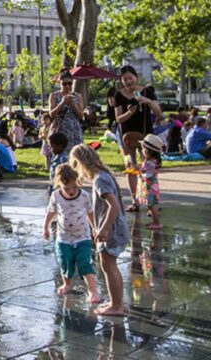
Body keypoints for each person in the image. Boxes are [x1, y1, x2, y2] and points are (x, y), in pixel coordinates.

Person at [69, 144, 129, 316]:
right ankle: (117, 302)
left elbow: (114, 206)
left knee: (108, 266)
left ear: (81, 163)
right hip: (116, 228)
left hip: (112, 230)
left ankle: (116, 307)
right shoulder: (104, 175)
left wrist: (103, 228)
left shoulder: (99, 180)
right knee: (111, 266)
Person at [42, 164, 101, 304]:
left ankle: (93, 292)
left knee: (84, 263)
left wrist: (95, 228)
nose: (71, 191)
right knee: (65, 262)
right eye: (66, 188)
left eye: (75, 187)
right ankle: (67, 284)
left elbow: (90, 213)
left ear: (78, 182)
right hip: (63, 238)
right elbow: (51, 212)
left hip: (83, 237)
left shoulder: (84, 196)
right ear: (59, 183)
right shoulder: (56, 195)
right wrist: (45, 227)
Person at [114, 65, 162, 212]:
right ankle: (135, 201)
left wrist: (147, 101)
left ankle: (150, 202)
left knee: (147, 169)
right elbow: (118, 119)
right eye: (125, 79)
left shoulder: (147, 91)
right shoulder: (119, 95)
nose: (128, 81)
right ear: (121, 81)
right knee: (130, 167)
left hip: (145, 136)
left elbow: (159, 112)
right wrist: (130, 113)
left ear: (136, 77)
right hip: (127, 136)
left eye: (130, 78)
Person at [128, 134, 163, 230]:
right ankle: (154, 218)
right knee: (150, 205)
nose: (141, 150)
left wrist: (136, 169)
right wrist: (135, 167)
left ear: (149, 151)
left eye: (143, 148)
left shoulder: (150, 163)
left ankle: (157, 223)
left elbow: (144, 171)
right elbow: (141, 166)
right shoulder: (151, 160)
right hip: (149, 186)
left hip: (149, 187)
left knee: (151, 206)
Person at [48, 68, 84, 154]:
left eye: (70, 83)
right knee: (60, 156)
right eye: (64, 84)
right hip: (60, 130)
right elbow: (51, 115)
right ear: (59, 83)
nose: (67, 86)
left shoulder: (77, 96)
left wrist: (73, 104)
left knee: (76, 155)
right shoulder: (54, 95)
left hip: (74, 130)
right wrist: (62, 103)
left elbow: (81, 116)